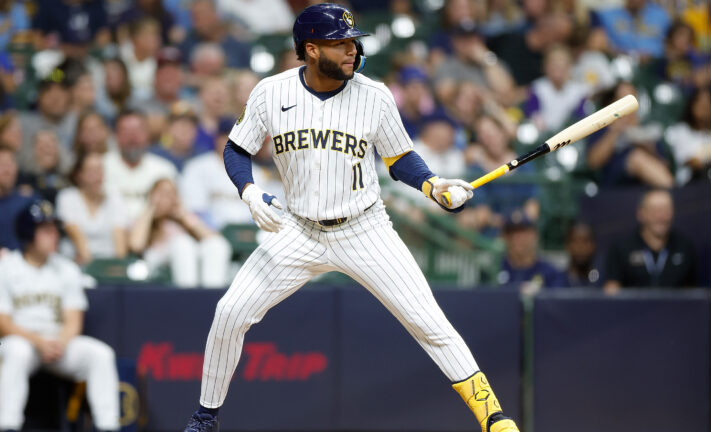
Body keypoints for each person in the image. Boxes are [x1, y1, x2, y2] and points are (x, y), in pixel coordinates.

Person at [183, 5, 520, 432]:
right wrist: (248, 191)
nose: (351, 50)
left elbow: (399, 159)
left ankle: (492, 416)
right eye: (339, 43)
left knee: (428, 322)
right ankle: (204, 418)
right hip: (298, 230)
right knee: (230, 310)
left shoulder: (374, 94)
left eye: (352, 42)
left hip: (364, 227)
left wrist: (433, 185)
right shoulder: (271, 92)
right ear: (310, 49)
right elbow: (236, 149)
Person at [0, 200, 120, 432]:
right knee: (17, 351)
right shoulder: (6, 267)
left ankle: (109, 427)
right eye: (46, 230)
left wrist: (59, 343)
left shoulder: (66, 268)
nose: (54, 235)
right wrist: (39, 342)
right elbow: (3, 323)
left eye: (55, 229)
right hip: (20, 340)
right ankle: (8, 426)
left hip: (57, 342)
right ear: (28, 233)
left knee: (101, 355)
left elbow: (74, 320)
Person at [128, 178, 231, 288]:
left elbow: (215, 240)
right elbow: (136, 245)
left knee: (215, 244)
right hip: (158, 269)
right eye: (162, 193)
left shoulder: (183, 220)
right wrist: (152, 208)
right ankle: (188, 296)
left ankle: (212, 296)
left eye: (171, 193)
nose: (167, 197)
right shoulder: (144, 219)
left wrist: (183, 215)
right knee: (182, 243)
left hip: (193, 267)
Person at [604, 189, 698, 293]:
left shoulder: (684, 247)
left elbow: (692, 296)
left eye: (665, 210)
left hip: (673, 308)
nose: (660, 217)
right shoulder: (621, 247)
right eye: (655, 211)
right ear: (641, 213)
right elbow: (611, 292)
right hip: (632, 308)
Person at [586, 81, 674, 188]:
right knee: (637, 157)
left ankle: (672, 194)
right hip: (614, 186)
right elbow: (593, 163)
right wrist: (615, 131)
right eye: (622, 100)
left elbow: (664, 165)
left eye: (632, 99)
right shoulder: (603, 127)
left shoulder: (646, 129)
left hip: (646, 189)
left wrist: (647, 147)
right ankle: (674, 195)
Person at [103, 110, 177, 223]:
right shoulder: (100, 167)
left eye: (138, 130)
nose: (133, 137)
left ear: (148, 134)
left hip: (154, 234)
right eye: (126, 131)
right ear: (115, 135)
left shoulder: (164, 169)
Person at [56, 152, 129, 265]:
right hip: (76, 263)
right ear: (79, 175)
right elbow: (77, 236)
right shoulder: (67, 197)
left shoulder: (115, 197)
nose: (98, 176)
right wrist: (93, 270)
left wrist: (119, 268)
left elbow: (119, 239)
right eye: (92, 171)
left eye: (100, 170)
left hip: (109, 264)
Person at [497, 212, 568, 293]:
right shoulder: (495, 270)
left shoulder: (550, 273)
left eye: (522, 232)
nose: (516, 238)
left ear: (535, 235)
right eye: (511, 233)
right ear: (504, 237)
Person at [0, 146, 36, 251]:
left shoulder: (29, 199)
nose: (7, 170)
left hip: (25, 263)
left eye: (10, 164)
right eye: (2, 164)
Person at [564, 222, 601, 288]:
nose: (580, 247)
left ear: (593, 245)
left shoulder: (603, 281)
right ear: (567, 246)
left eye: (585, 241)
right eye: (575, 241)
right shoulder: (559, 281)